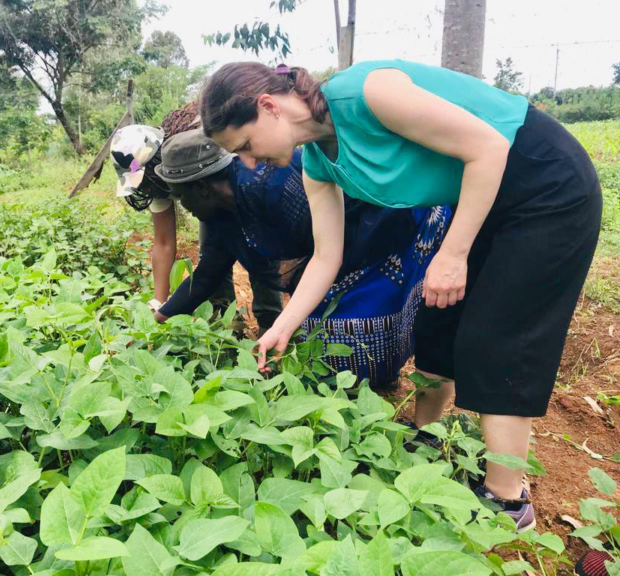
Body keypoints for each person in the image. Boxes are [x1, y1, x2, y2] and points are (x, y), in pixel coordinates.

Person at [199, 60, 603, 531]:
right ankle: (425, 437)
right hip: (483, 195)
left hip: (544, 184)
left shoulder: (369, 93)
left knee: (498, 336)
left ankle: (509, 502)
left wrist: (452, 255)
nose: (249, 163)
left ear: (268, 106)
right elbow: (326, 259)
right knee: (436, 316)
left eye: (245, 146)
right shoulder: (318, 165)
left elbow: (489, 148)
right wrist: (282, 326)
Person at [153, 129, 450, 388]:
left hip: (382, 224)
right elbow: (207, 275)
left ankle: (372, 381)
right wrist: (156, 319)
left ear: (203, 188)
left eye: (181, 197)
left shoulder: (270, 187)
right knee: (316, 318)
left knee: (354, 314)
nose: (184, 206)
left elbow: (327, 253)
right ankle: (360, 380)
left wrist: (296, 315)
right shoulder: (221, 215)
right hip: (332, 252)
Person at [109, 107, 283, 333]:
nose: (145, 189)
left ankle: (273, 326)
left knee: (259, 253)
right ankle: (227, 326)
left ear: (155, 164)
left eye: (145, 181)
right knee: (212, 260)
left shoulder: (192, 151)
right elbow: (164, 243)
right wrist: (159, 305)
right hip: (203, 203)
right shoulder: (155, 187)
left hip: (231, 194)